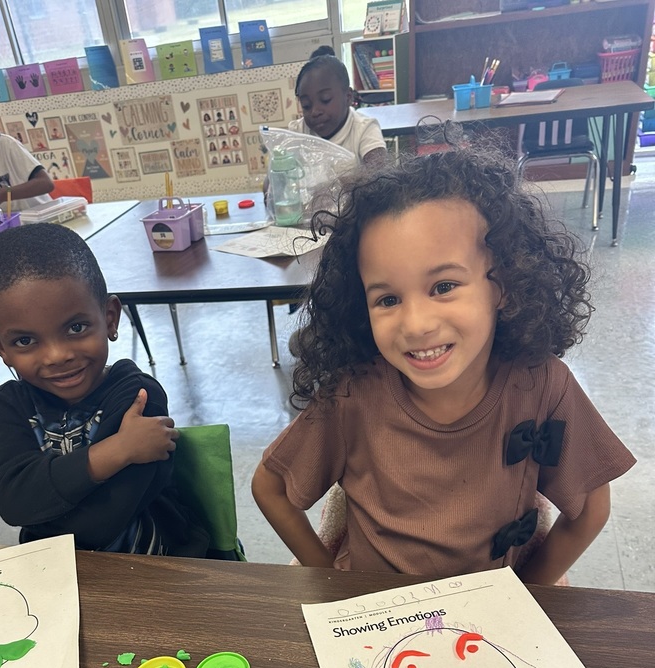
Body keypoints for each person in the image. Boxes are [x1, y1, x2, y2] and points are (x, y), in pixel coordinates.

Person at [252, 147, 636, 586]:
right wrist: (329, 579)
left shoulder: (542, 384)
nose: (416, 325)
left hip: (494, 607)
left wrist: (534, 589)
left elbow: (589, 507)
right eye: (388, 299)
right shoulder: (352, 394)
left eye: (444, 286)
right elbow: (272, 487)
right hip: (378, 614)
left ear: (504, 285)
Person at [0, 222, 206, 557]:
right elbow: (13, 503)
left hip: (160, 570)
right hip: (57, 573)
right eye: (25, 340)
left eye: (76, 327)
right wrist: (118, 450)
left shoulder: (137, 397)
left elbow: (105, 518)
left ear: (110, 319)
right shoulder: (7, 406)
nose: (57, 356)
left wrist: (41, 506)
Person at [288, 46, 388, 167]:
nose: (315, 111)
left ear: (348, 97)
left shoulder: (363, 129)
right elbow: (273, 180)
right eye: (306, 105)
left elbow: (380, 173)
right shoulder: (297, 133)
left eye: (325, 100)